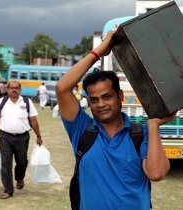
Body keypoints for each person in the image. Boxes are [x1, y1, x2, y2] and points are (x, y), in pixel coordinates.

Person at [55, 30, 175, 209]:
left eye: (107, 97)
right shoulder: (82, 129)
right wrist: (98, 53)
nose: (100, 104)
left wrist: (154, 125)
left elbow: (156, 173)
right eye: (94, 100)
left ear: (120, 96)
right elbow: (62, 88)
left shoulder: (140, 134)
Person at [0, 81, 43, 199]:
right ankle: (8, 190)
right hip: (5, 137)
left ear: (20, 90)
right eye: (12, 88)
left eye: (16, 88)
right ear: (8, 89)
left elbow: (33, 120)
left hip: (22, 137)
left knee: (22, 161)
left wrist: (38, 136)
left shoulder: (26, 102)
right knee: (6, 163)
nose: (14, 90)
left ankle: (19, 178)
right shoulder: (2, 102)